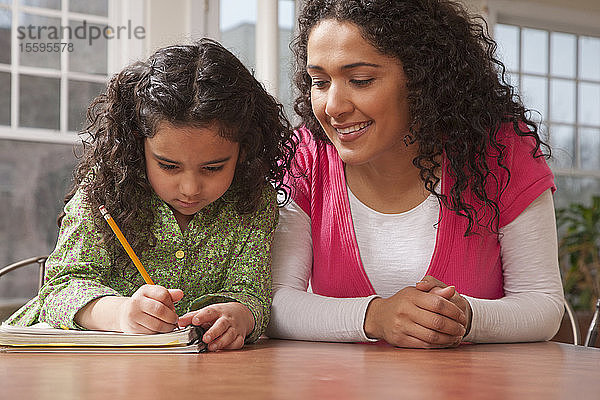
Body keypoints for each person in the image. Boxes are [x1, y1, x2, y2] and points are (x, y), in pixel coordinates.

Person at [266, 0, 565, 348]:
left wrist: (464, 317)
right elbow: (273, 303)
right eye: (319, 81)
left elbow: (543, 304)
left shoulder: (501, 151)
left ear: (423, 79)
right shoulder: (306, 156)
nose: (333, 106)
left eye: (360, 80)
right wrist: (376, 317)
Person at [6, 39, 296, 352]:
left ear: (245, 149)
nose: (189, 188)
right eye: (168, 166)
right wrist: (120, 314)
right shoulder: (104, 191)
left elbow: (251, 291)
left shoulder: (253, 202)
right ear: (136, 141)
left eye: (213, 168)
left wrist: (239, 315)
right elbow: (61, 288)